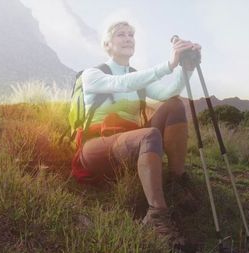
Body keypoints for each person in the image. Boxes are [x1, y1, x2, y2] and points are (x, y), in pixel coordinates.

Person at [72, 21, 201, 250]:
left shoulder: (137, 78)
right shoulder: (92, 74)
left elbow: (167, 92)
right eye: (120, 34)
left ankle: (177, 182)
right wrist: (168, 65)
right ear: (107, 45)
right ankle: (156, 217)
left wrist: (186, 67)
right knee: (149, 135)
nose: (128, 38)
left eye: (131, 34)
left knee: (174, 105)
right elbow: (121, 83)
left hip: (132, 144)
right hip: (95, 148)